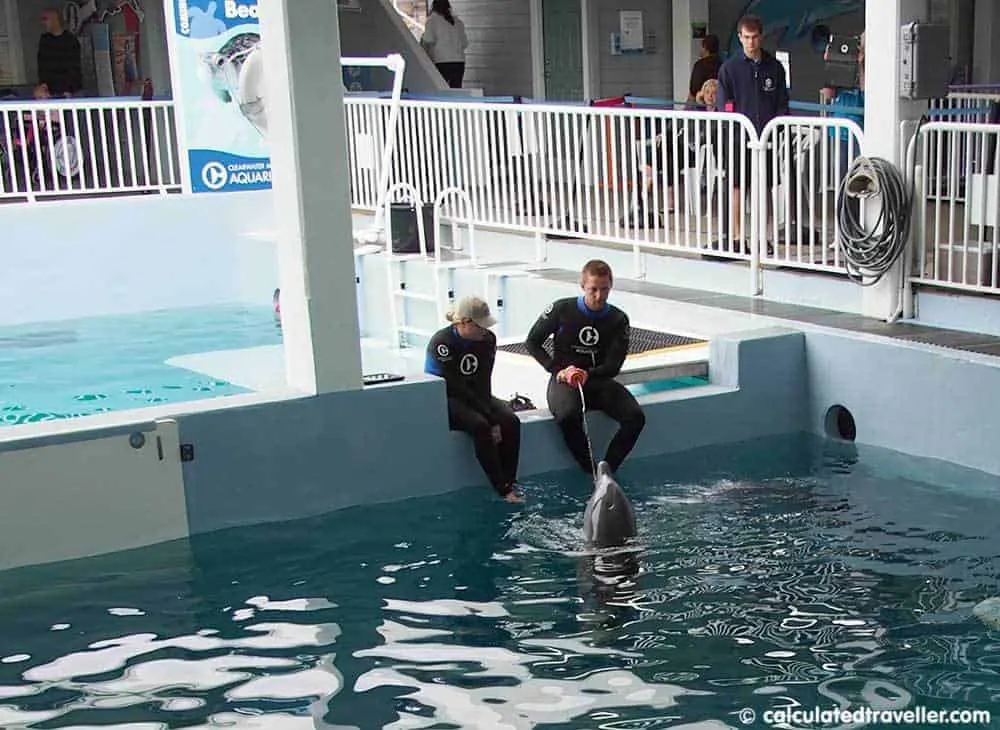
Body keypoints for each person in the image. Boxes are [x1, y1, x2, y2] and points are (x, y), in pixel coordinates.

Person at [524, 260, 646, 477]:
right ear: (582, 286)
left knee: (635, 418)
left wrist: (588, 374)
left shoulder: (618, 319)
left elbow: (613, 365)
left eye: (604, 290)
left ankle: (607, 469)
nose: (599, 296)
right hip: (564, 379)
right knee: (568, 416)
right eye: (593, 290)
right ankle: (589, 469)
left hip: (597, 379)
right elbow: (532, 342)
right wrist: (557, 369)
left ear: (611, 287)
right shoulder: (561, 309)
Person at [425, 296, 524, 503]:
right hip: (447, 397)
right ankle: (503, 489)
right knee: (480, 427)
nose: (484, 330)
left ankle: (510, 481)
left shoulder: (487, 340)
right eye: (480, 326)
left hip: (476, 394)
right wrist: (489, 420)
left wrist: (494, 416)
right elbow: (455, 387)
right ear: (464, 323)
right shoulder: (442, 343)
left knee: (511, 421)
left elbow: (483, 379)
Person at [715, 14, 789, 250]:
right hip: (739, 139)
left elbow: (782, 102)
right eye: (746, 37)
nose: (751, 42)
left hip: (766, 137)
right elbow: (724, 105)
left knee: (764, 187)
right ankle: (738, 237)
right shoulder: (729, 69)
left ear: (761, 36)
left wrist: (777, 128)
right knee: (738, 186)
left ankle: (762, 237)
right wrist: (734, 131)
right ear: (739, 38)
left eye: (754, 37)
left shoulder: (775, 67)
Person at [420, 0, 468, 89]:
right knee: (456, 90)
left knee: (441, 90)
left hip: (441, 61)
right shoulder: (458, 21)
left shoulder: (432, 20)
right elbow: (464, 43)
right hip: (459, 61)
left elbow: (428, 40)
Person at [37, 8, 82, 98]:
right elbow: (42, 65)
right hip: (49, 91)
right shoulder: (45, 40)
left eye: (46, 19)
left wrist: (69, 89)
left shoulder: (70, 40)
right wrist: (43, 84)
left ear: (55, 19)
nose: (43, 23)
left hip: (69, 90)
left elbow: (74, 67)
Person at [687, 34, 722, 104]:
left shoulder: (699, 65)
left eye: (702, 47)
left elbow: (693, 91)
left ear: (705, 47)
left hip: (701, 106)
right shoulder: (723, 65)